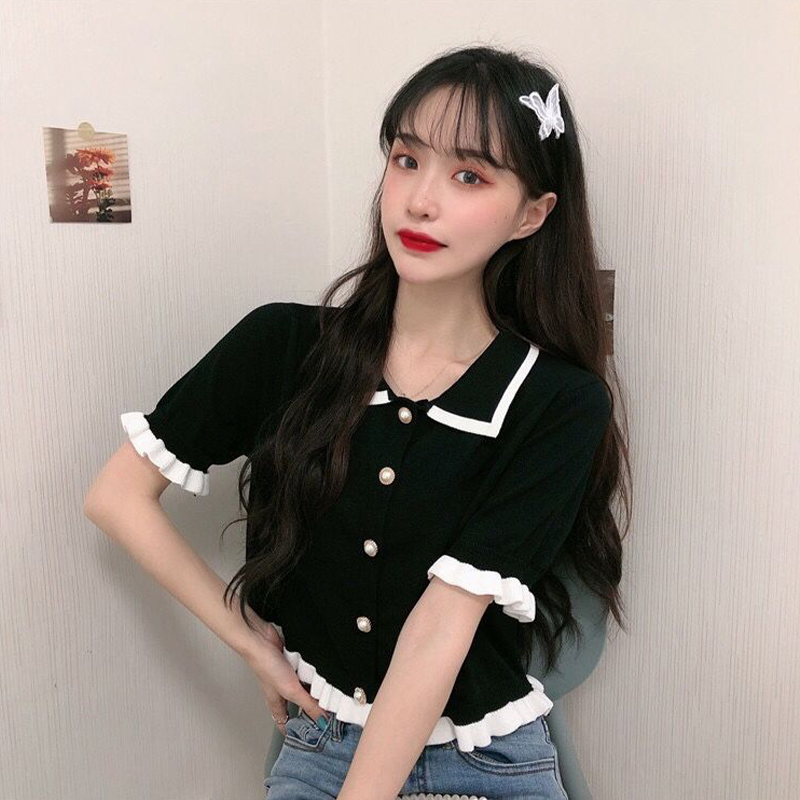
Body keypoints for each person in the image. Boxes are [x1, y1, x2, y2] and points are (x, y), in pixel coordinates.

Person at [85, 43, 630, 800]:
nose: (420, 201)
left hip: (484, 762)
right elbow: (115, 496)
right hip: (320, 746)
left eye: (469, 176)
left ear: (531, 214)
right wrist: (250, 643)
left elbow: (442, 625)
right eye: (407, 160)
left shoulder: (558, 401)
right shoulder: (284, 345)